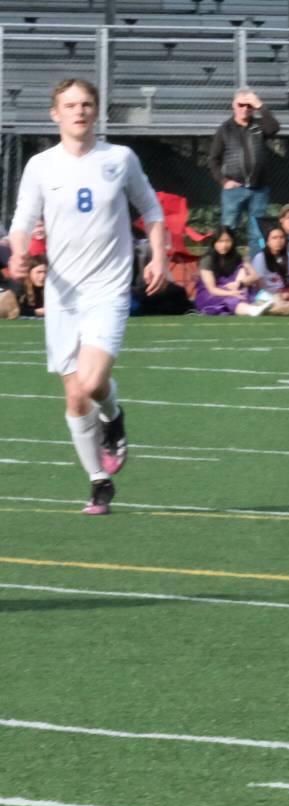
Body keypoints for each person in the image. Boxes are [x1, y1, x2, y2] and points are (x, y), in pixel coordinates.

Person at [8, 77, 166, 515]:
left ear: (96, 111)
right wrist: (20, 254)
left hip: (108, 287)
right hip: (62, 293)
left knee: (93, 382)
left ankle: (113, 416)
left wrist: (159, 258)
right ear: (55, 114)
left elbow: (151, 209)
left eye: (86, 104)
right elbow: (22, 221)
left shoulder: (119, 159)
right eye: (70, 105)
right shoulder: (41, 166)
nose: (79, 111)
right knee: (75, 395)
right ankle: (98, 481)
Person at [209, 87, 280, 253]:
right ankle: (227, 270)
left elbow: (274, 128)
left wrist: (260, 105)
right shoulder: (225, 129)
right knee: (228, 231)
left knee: (258, 233)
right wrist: (223, 181)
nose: (245, 109)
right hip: (234, 189)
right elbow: (213, 159)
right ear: (234, 105)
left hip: (259, 188)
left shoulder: (258, 126)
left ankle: (257, 268)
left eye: (249, 106)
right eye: (241, 104)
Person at [194, 226, 270, 316]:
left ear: (232, 241)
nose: (224, 245)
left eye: (227, 241)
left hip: (233, 290)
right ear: (214, 243)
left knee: (242, 270)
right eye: (220, 241)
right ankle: (252, 310)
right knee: (233, 300)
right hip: (211, 295)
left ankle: (261, 306)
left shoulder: (236, 257)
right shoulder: (207, 260)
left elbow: (254, 276)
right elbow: (212, 289)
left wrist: (240, 283)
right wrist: (231, 293)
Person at [252, 225, 289, 314]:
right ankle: (276, 308)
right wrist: (274, 297)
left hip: (284, 295)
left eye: (281, 237)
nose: (278, 241)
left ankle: (276, 309)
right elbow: (258, 287)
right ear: (267, 242)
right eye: (274, 238)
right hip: (265, 295)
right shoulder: (260, 258)